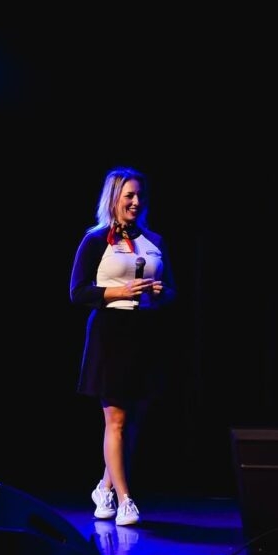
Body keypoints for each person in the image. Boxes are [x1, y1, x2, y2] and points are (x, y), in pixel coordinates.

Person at [70, 166, 176, 527]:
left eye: (139, 196)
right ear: (114, 198)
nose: (135, 202)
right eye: (128, 195)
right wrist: (118, 291)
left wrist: (162, 293)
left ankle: (104, 487)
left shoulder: (154, 241)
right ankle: (126, 499)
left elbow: (173, 288)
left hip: (144, 333)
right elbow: (78, 291)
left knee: (132, 423)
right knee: (115, 421)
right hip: (110, 333)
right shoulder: (96, 240)